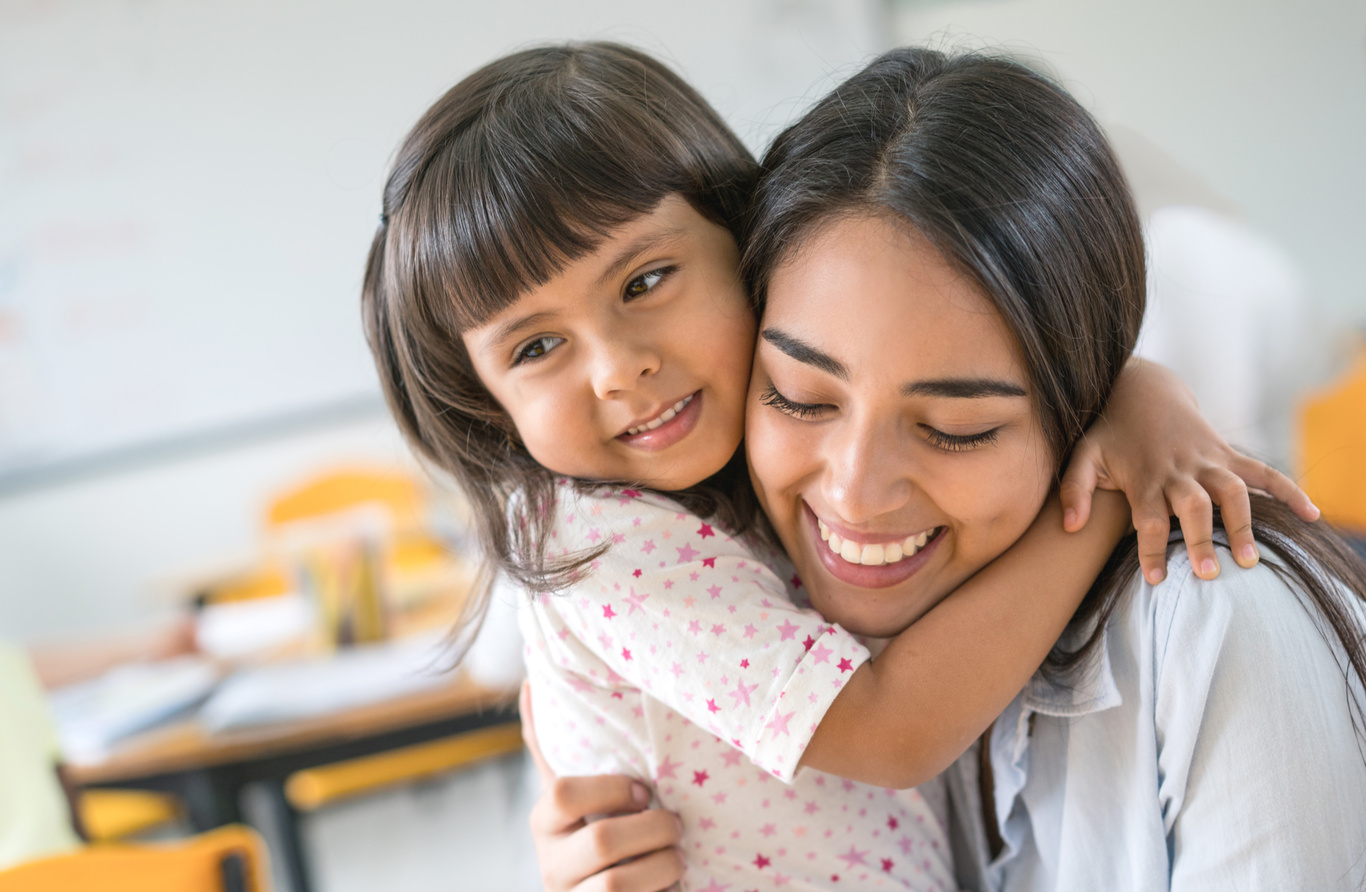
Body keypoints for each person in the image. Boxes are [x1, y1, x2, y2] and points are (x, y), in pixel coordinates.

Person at [526, 47, 1366, 891]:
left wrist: (1123, 443)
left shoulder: (1222, 628)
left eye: (955, 428)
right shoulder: (778, 612)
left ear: (1080, 409)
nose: (855, 491)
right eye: (798, 397)